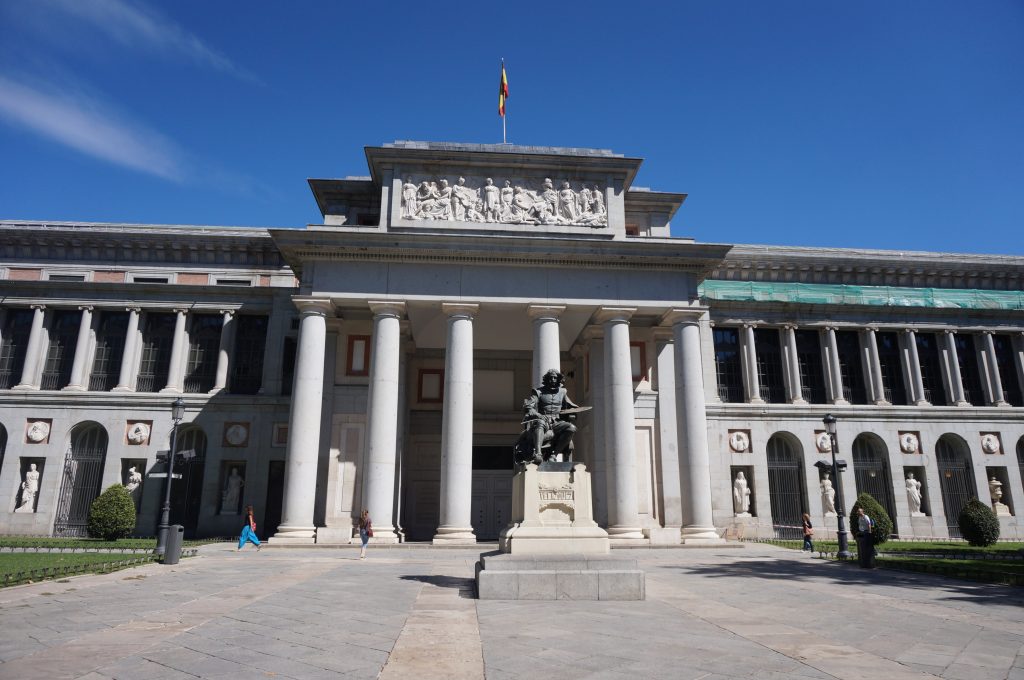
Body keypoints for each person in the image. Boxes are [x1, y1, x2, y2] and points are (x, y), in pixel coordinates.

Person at [513, 369, 581, 464]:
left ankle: (554, 455)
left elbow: (569, 405)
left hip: (557, 422)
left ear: (558, 379)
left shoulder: (563, 392)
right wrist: (538, 415)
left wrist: (575, 410)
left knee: (572, 428)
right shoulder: (538, 392)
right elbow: (529, 406)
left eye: (555, 377)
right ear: (546, 379)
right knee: (540, 423)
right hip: (543, 420)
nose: (552, 379)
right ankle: (538, 454)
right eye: (550, 377)